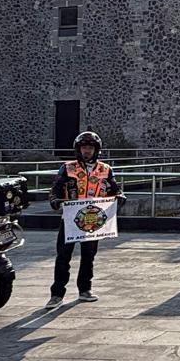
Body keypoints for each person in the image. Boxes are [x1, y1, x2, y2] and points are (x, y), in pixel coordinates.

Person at [46, 131, 122, 308]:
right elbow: (56, 188)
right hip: (70, 219)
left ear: (96, 150)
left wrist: (120, 196)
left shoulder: (105, 169)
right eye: (84, 147)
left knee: (89, 256)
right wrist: (55, 200)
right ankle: (57, 294)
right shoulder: (68, 168)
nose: (87, 151)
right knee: (63, 256)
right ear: (78, 149)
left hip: (93, 220)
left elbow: (114, 189)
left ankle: (85, 289)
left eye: (90, 147)